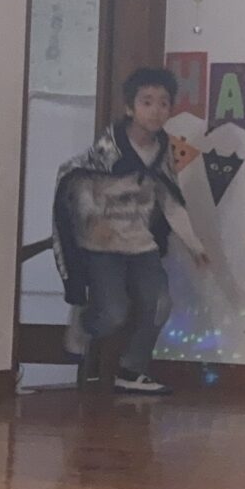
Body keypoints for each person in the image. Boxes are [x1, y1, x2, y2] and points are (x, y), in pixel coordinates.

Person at [49, 66, 209, 396]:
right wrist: (94, 222)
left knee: (160, 304)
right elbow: (78, 185)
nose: (155, 110)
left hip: (139, 243)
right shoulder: (107, 150)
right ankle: (84, 322)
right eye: (146, 102)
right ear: (130, 108)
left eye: (163, 103)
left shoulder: (162, 151)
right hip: (101, 247)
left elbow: (169, 199)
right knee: (113, 313)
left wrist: (194, 245)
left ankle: (131, 369)